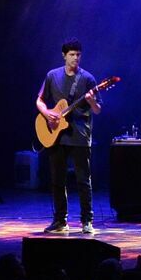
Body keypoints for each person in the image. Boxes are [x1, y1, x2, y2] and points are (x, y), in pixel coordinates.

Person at [36, 40, 102, 233]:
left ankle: (87, 221)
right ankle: (60, 220)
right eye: (72, 54)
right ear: (64, 55)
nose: (76, 58)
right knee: (57, 179)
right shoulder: (52, 76)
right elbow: (39, 99)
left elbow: (98, 110)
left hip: (80, 135)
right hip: (57, 136)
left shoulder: (88, 79)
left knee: (83, 179)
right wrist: (46, 113)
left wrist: (91, 102)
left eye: (78, 54)